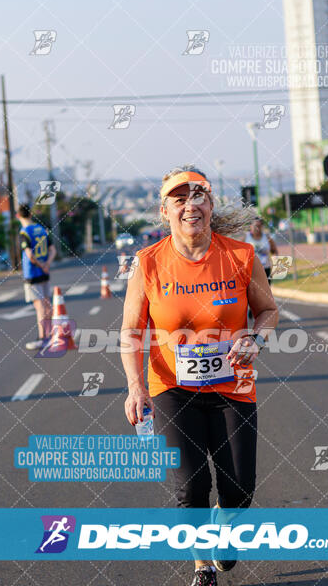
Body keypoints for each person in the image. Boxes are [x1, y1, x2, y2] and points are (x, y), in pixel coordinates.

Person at [121, 165, 278, 586]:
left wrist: (256, 338)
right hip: (173, 388)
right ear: (164, 210)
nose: (190, 205)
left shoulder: (241, 255)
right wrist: (136, 387)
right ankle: (201, 565)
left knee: (239, 488)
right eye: (179, 198)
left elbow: (267, 312)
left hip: (234, 385)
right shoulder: (148, 263)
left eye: (199, 197)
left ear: (210, 205)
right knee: (190, 487)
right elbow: (131, 331)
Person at [17, 204, 56, 350]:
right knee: (47, 303)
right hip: (44, 272)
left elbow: (29, 255)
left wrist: (40, 265)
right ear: (31, 214)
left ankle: (43, 338)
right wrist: (47, 264)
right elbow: (53, 250)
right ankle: (52, 334)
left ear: (18, 216)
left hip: (32, 273)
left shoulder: (24, 232)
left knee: (39, 306)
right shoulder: (41, 229)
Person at [245, 217, 278, 285]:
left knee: (266, 292)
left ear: (262, 227)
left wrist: (275, 260)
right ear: (250, 226)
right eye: (255, 226)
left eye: (259, 226)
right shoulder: (245, 238)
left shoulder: (267, 238)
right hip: (251, 271)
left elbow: (274, 251)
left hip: (265, 269)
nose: (257, 228)